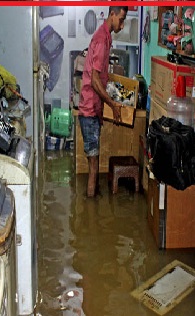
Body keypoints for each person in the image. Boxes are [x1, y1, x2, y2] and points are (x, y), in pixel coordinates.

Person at [79, 6, 127, 197]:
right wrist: (113, 104)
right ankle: (91, 216)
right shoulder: (101, 39)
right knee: (93, 166)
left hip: (94, 109)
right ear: (112, 14)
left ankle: (92, 207)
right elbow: (95, 81)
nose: (122, 26)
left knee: (94, 163)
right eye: (121, 20)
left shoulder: (106, 37)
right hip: (90, 109)